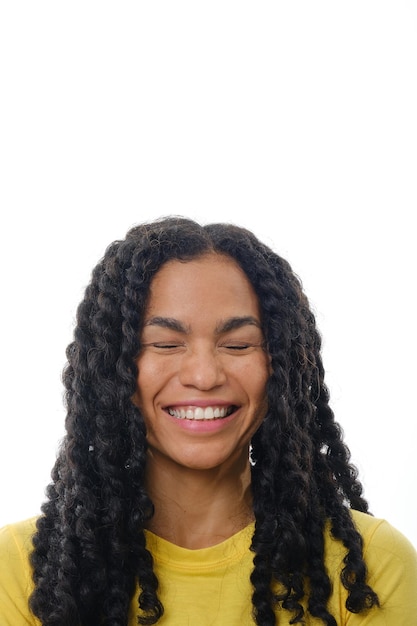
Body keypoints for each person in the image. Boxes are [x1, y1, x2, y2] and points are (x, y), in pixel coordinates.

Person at [0, 216, 416, 626]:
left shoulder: (370, 565)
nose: (203, 376)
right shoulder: (20, 570)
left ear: (280, 366)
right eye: (165, 344)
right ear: (113, 367)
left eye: (237, 345)